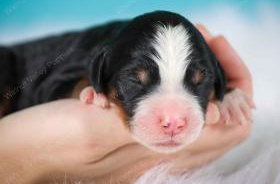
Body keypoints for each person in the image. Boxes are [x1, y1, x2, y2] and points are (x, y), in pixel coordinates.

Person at [0, 25, 254, 183]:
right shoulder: (103, 56)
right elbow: (52, 86)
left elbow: (215, 82)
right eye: (137, 82)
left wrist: (228, 95)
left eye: (197, 83)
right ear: (101, 74)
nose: (173, 121)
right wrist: (80, 89)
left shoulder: (212, 74)